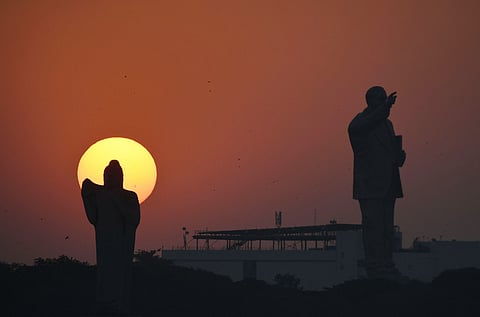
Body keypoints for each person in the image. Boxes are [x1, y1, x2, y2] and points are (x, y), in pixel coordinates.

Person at [348, 86, 406, 279]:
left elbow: (387, 151)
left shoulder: (387, 125)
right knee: (373, 227)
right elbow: (363, 127)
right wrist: (385, 109)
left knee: (387, 228)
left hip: (389, 183)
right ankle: (374, 265)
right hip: (370, 185)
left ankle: (387, 263)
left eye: (384, 100)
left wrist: (398, 156)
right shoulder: (359, 122)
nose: (383, 103)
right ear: (370, 101)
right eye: (379, 100)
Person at [81, 160, 140, 314]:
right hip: (104, 243)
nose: (110, 178)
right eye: (107, 175)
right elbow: (93, 217)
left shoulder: (129, 196)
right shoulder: (101, 196)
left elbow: (134, 219)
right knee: (104, 277)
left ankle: (118, 305)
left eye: (113, 176)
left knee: (120, 277)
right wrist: (87, 197)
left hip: (121, 244)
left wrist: (116, 200)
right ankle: (105, 305)